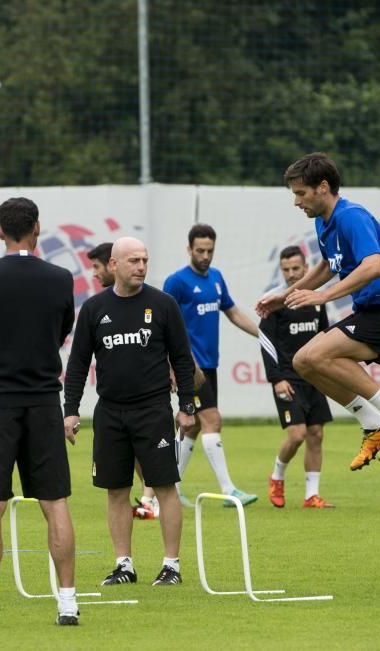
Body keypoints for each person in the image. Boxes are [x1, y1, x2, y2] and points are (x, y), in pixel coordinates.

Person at [255, 152, 380, 473]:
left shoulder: (351, 216)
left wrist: (322, 296)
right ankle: (372, 421)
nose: (296, 202)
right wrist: (284, 295)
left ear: (322, 187)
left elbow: (373, 266)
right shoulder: (323, 221)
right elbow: (326, 266)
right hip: (376, 312)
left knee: (315, 355)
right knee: (305, 361)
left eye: (300, 193)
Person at [0, 197, 79, 629]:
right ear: (37, 228)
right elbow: (63, 329)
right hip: (45, 401)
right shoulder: (61, 278)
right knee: (55, 503)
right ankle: (67, 604)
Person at [64, 237, 197, 588]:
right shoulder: (94, 309)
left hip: (153, 410)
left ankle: (172, 565)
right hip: (109, 413)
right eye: (133, 260)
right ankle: (124, 564)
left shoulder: (163, 304)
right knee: (116, 490)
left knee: (166, 487)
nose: (140, 266)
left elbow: (183, 359)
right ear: (114, 265)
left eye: (144, 260)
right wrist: (71, 410)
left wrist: (186, 406)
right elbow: (77, 364)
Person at [163, 224, 260, 507]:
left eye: (210, 251)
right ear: (189, 249)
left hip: (209, 366)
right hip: (189, 367)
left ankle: (169, 488)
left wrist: (261, 333)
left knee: (191, 427)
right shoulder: (176, 282)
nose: (205, 256)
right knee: (212, 419)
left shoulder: (216, 278)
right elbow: (165, 326)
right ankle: (229, 490)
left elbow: (232, 312)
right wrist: (177, 365)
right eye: (200, 250)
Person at [259, 246, 335, 509]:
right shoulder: (275, 302)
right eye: (286, 269)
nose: (291, 274)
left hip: (314, 377)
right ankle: (277, 477)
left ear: (306, 268)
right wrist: (276, 378)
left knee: (316, 434)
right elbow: (265, 341)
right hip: (287, 380)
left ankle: (311, 495)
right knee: (297, 434)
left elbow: (325, 336)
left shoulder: (314, 300)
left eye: (295, 269)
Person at [88, 242, 158, 521]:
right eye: (135, 260)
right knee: (131, 462)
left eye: (96, 267)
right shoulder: (98, 307)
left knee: (206, 421)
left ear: (111, 264)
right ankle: (150, 497)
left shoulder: (156, 302)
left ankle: (154, 496)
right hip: (114, 409)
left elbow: (168, 344)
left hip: (151, 403)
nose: (94, 273)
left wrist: (178, 370)